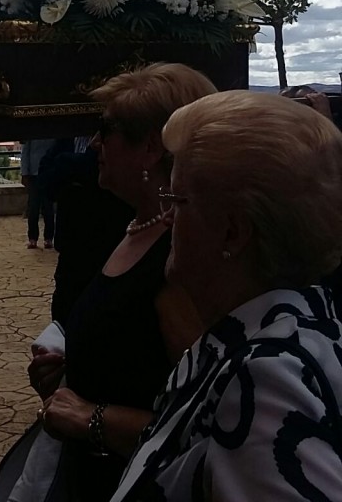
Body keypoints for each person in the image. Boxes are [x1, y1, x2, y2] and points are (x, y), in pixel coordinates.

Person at [109, 91, 342, 502]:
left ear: (232, 232)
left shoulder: (267, 377)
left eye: (177, 200)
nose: (166, 217)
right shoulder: (309, 320)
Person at [30, 65, 216, 502]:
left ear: (151, 146)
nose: (95, 143)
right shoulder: (137, 227)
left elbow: (206, 416)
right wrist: (69, 374)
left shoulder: (178, 257)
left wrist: (92, 417)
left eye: (105, 129)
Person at [39, 139, 134, 326]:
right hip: (71, 249)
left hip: (109, 244)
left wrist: (69, 165)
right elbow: (46, 182)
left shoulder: (110, 142)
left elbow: (98, 176)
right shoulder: (67, 139)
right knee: (63, 315)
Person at [21, 139, 68, 248]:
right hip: (38, 173)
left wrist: (24, 172)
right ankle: (39, 238)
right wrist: (25, 172)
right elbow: (25, 150)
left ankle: (44, 238)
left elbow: (25, 151)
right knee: (36, 207)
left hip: (43, 171)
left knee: (45, 207)